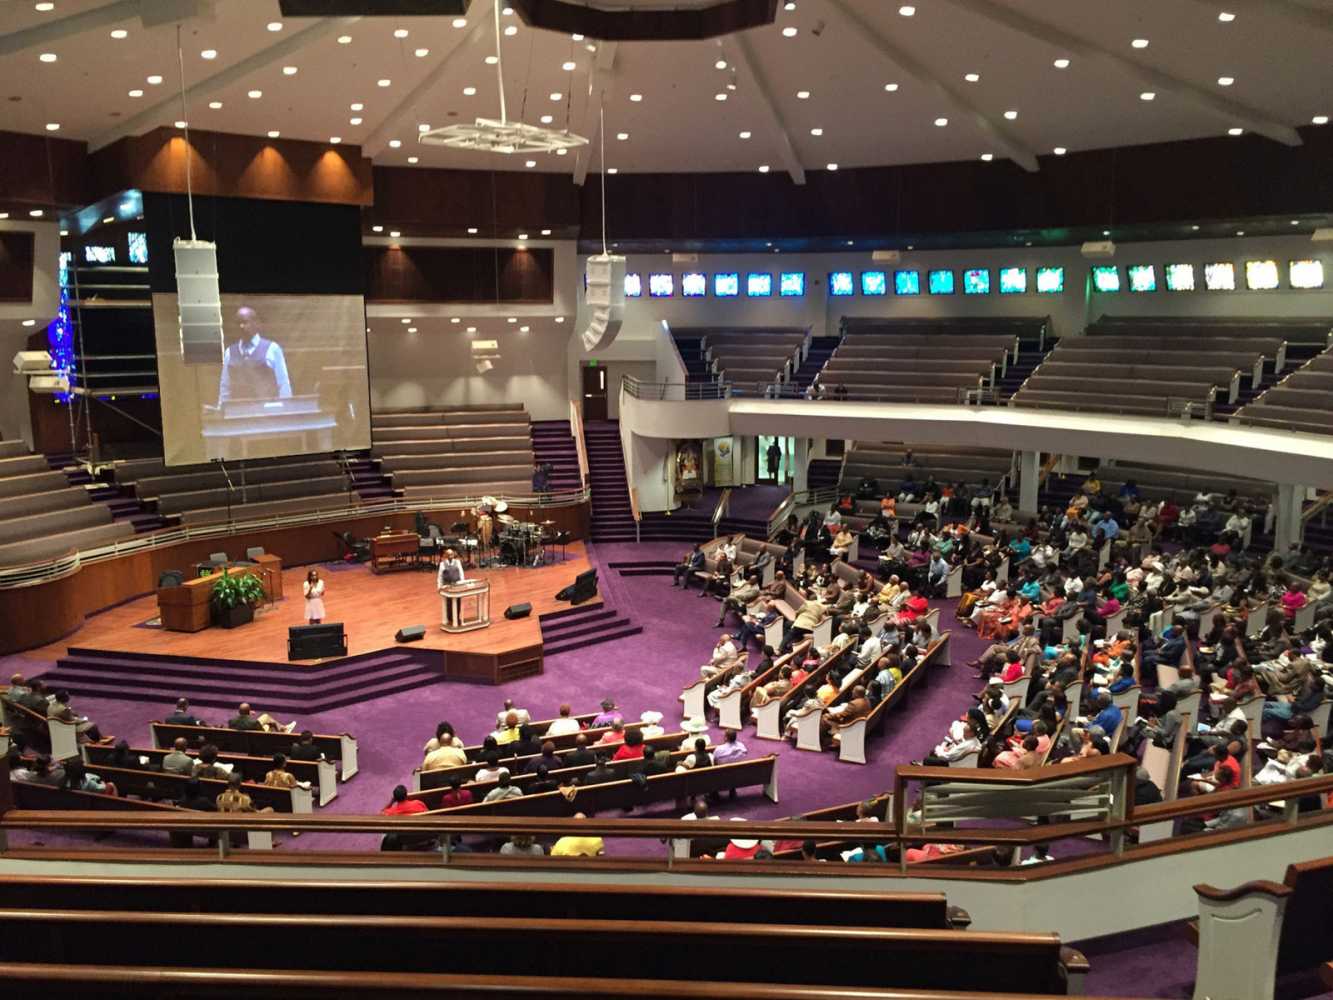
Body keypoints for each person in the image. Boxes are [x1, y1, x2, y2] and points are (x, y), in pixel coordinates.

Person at [217, 305, 291, 405]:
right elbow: (225, 387)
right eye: (238, 323)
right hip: (239, 414)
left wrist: (285, 409)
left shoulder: (272, 349)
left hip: (267, 414)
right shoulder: (229, 353)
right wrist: (222, 410)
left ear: (255, 323)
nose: (241, 326)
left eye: (245, 322)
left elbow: (283, 384)